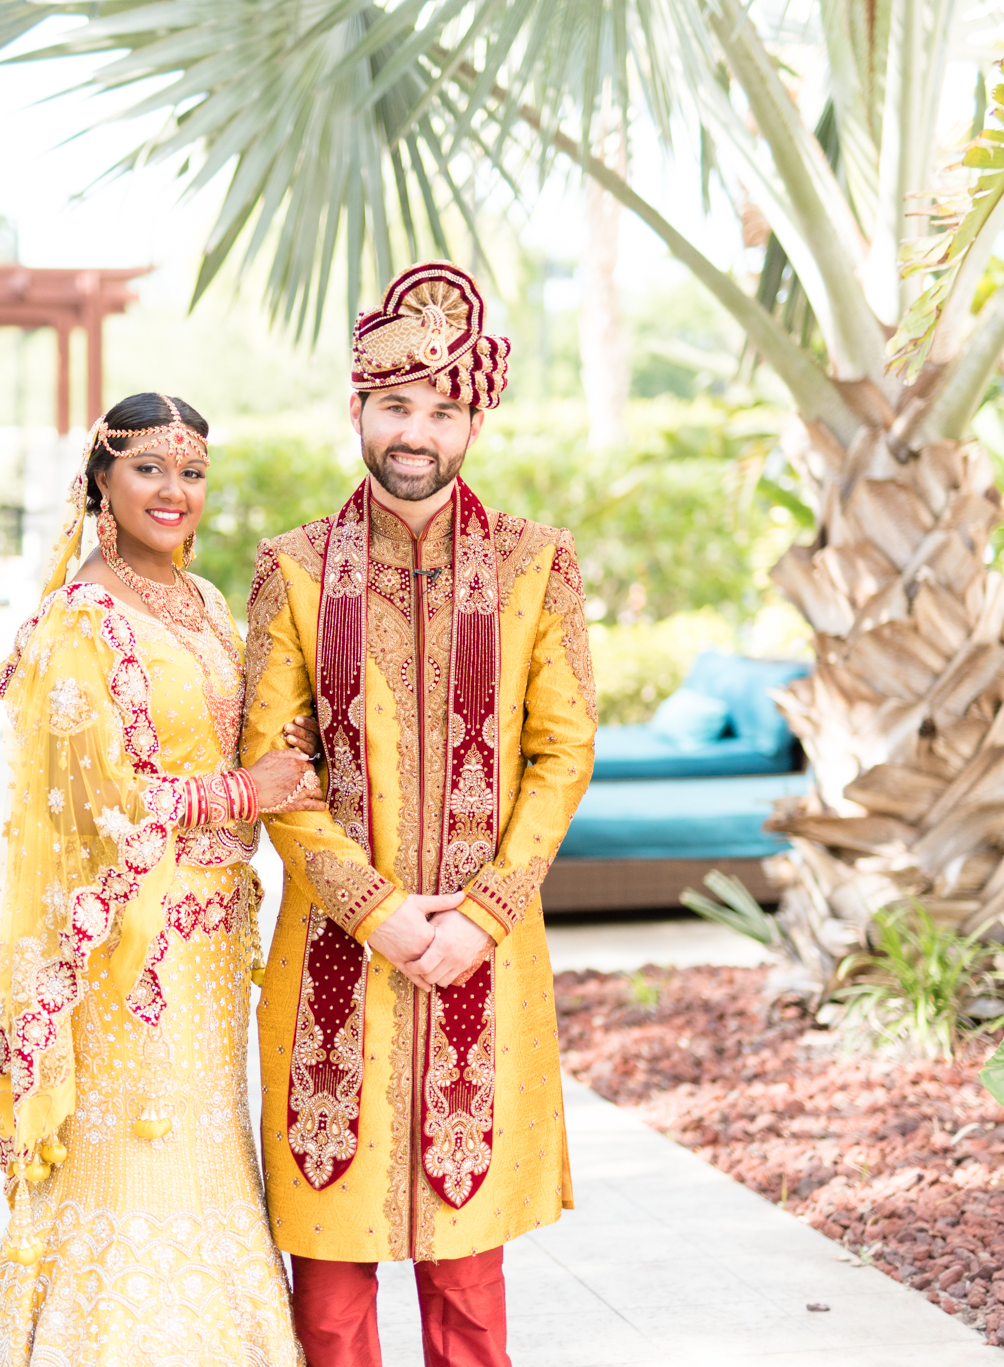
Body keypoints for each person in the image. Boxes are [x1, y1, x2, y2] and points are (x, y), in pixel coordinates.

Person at [242, 262, 597, 1367]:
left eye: (443, 410)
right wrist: (381, 913)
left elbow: (562, 749)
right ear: (357, 408)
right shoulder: (291, 570)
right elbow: (271, 762)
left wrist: (478, 916)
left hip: (480, 949)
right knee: (332, 1287)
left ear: (474, 420)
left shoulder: (536, 563)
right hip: (337, 954)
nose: (417, 431)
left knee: (467, 1276)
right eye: (396, 405)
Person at [0, 391, 320, 1365]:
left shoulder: (201, 602)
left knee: (209, 1159)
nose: (173, 490)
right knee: (133, 1165)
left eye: (191, 471)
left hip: (211, 949)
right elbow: (92, 804)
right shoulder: (81, 618)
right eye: (149, 468)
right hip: (130, 956)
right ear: (101, 478)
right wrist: (242, 789)